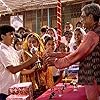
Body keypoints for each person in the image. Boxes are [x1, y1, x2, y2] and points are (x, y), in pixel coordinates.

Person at [44, 3, 100, 100]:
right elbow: (80, 53)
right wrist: (56, 54)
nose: (81, 21)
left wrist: (56, 62)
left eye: (83, 17)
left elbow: (77, 55)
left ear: (90, 17)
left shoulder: (92, 35)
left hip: (93, 76)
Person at [0, 25, 38, 100]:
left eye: (14, 34)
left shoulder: (11, 49)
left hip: (15, 89)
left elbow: (19, 68)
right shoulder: (1, 51)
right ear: (2, 36)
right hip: (5, 91)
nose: (13, 36)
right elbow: (13, 70)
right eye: (10, 34)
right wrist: (31, 61)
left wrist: (29, 47)